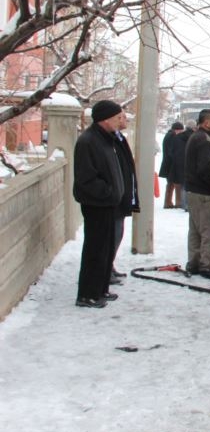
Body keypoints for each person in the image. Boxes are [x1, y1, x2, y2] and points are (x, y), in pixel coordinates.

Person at [72, 100, 126, 308]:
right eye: (116, 117)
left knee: (106, 250)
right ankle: (88, 294)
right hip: (97, 204)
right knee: (95, 250)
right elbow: (87, 178)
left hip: (109, 204)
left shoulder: (106, 139)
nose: (119, 121)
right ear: (105, 119)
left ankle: (100, 289)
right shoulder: (89, 141)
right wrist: (109, 192)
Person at [184, 109, 210, 279]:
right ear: (206, 122)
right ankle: (205, 265)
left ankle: (194, 263)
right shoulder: (204, 141)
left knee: (195, 229)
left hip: (194, 190)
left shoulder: (198, 137)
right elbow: (205, 168)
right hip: (202, 192)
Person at [110, 109, 139, 284]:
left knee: (118, 234)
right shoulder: (107, 140)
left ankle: (109, 266)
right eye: (121, 117)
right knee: (112, 236)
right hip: (113, 199)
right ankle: (105, 271)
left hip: (120, 197)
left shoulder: (119, 138)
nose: (125, 120)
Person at [159, 122, 184, 208]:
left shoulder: (168, 135)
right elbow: (173, 151)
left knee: (170, 184)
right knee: (177, 183)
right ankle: (178, 202)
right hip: (172, 164)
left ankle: (168, 202)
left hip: (168, 163)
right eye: (181, 130)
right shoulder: (173, 137)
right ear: (177, 130)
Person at [171, 119, 195, 210]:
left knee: (182, 184)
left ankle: (183, 204)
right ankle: (188, 205)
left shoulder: (178, 137)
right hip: (190, 162)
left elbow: (173, 150)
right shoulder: (194, 136)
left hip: (179, 163)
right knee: (189, 184)